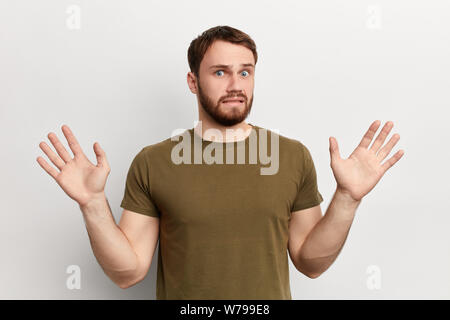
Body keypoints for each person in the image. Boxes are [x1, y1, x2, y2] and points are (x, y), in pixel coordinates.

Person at [36, 25, 404, 300]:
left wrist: (347, 199)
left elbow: (311, 263)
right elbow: (128, 273)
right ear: (193, 81)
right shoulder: (153, 162)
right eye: (219, 72)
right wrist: (93, 205)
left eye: (245, 72)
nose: (235, 84)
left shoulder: (292, 157)